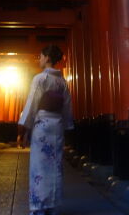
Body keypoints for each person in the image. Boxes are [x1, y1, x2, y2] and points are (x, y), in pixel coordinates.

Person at [18, 45, 74, 215]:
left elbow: (31, 105)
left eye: (41, 56)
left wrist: (22, 129)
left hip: (42, 125)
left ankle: (38, 207)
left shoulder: (39, 79)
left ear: (48, 58)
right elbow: (67, 108)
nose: (39, 59)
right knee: (55, 166)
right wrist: (66, 126)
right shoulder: (62, 82)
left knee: (39, 167)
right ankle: (52, 205)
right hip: (56, 126)